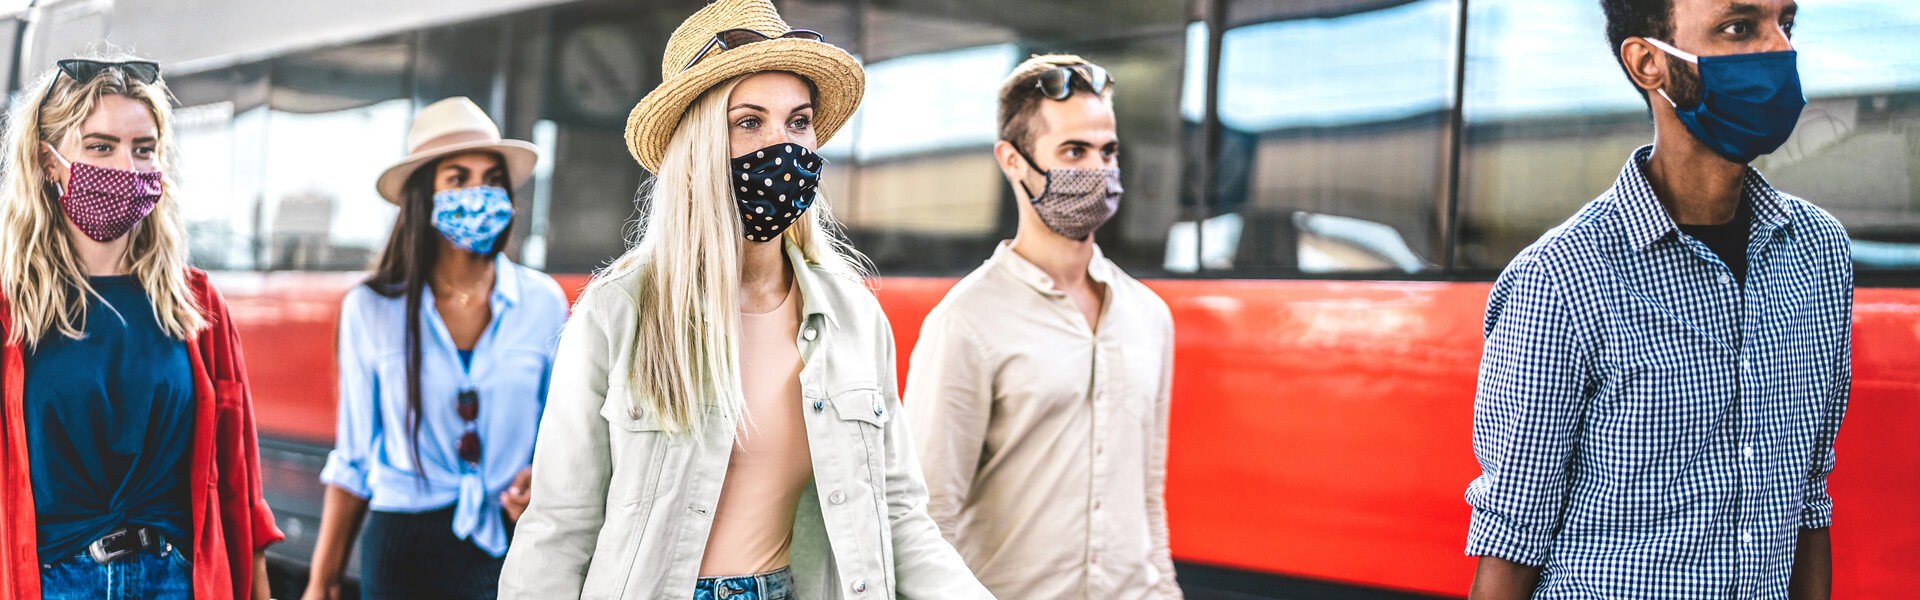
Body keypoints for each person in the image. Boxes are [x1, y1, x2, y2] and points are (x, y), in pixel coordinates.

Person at [498, 1, 994, 598]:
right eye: (749, 122)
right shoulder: (618, 311)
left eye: (799, 121)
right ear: (700, 145)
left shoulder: (854, 317)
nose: (783, 146)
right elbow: (560, 529)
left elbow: (900, 518)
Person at [1464, 1, 1848, 598]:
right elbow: (1513, 538)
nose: (1782, 50)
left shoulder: (1818, 253)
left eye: (1786, 24)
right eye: (1739, 28)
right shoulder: (1560, 278)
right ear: (1649, 63)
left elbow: (1806, 503)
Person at [0, 56, 282, 599]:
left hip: (174, 580)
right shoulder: (11, 309)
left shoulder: (196, 306)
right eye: (101, 146)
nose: (127, 167)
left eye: (144, 148)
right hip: (52, 583)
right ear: (48, 160)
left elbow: (240, 483)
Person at [904, 54, 1181, 599]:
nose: (1099, 171)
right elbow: (928, 517)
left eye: (1108, 151)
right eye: (1074, 151)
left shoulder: (1149, 316)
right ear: (1013, 160)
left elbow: (1148, 496)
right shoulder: (966, 321)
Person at [301, 97, 568, 600]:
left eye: (492, 179)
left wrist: (543, 479)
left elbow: (561, 433)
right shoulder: (371, 308)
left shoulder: (543, 302)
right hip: (403, 552)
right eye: (458, 178)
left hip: (513, 544)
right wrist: (323, 581)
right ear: (424, 196)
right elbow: (354, 459)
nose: (479, 193)